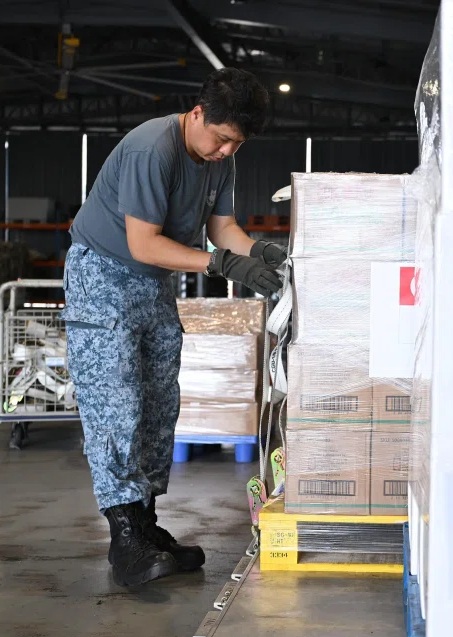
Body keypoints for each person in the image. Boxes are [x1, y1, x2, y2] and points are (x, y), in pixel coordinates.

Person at [60, 67, 286, 587]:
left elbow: (223, 230)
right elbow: (144, 243)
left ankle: (145, 522)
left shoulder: (218, 160)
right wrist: (219, 265)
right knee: (116, 402)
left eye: (237, 144)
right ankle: (124, 537)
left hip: (153, 283)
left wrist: (264, 253)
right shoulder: (151, 149)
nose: (227, 151)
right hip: (105, 274)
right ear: (198, 113)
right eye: (223, 138)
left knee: (160, 400)